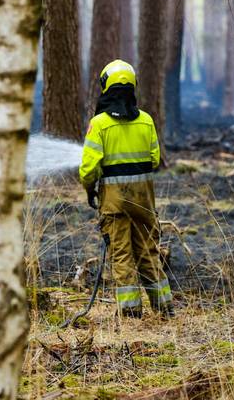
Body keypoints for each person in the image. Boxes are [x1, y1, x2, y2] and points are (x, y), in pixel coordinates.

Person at [79, 59, 173, 318]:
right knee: (148, 253)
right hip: (144, 202)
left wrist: (90, 189)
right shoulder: (146, 120)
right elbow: (154, 160)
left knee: (121, 255)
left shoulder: (99, 124)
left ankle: (131, 314)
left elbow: (88, 169)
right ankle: (164, 308)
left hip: (114, 205)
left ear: (106, 86)